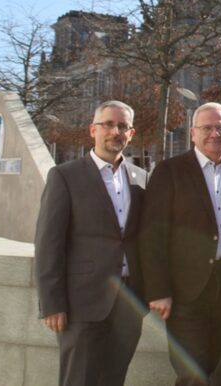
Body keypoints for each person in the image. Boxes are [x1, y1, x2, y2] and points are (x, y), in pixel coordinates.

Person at [34, 100, 148, 386]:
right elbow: (48, 243)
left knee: (114, 380)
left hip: (128, 304)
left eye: (122, 126)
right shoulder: (65, 176)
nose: (115, 131)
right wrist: (51, 303)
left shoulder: (141, 179)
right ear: (92, 130)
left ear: (131, 133)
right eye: (108, 124)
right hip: (82, 303)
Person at [139, 102, 221, 385]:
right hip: (184, 290)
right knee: (193, 371)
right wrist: (159, 290)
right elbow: (152, 235)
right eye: (207, 128)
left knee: (209, 363)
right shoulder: (170, 171)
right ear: (192, 133)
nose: (214, 134)